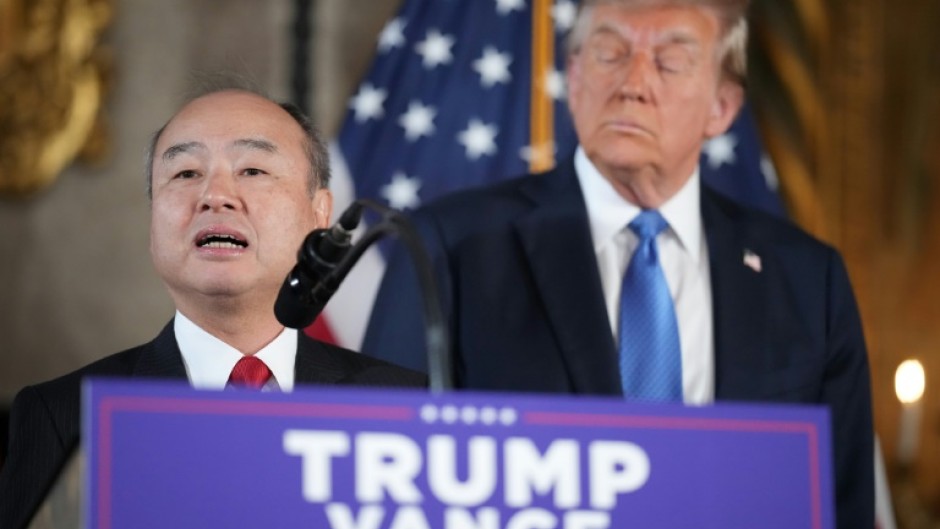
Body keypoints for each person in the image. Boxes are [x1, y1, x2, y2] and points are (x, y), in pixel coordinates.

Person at [363, 1, 873, 527]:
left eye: (670, 63)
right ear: (576, 77)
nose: (633, 83)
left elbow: (841, 500)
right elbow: (383, 472)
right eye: (610, 53)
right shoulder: (448, 246)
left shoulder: (809, 278)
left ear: (722, 106)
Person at [0, 88, 426, 529]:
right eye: (185, 173)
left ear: (320, 215)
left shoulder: (405, 407)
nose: (215, 195)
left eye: (253, 169)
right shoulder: (65, 415)